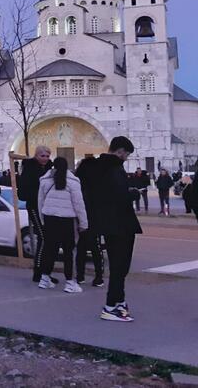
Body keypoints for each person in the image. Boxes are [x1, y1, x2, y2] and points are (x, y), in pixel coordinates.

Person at [92, 137, 142, 322]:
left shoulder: (100, 167)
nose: (126, 158)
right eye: (126, 154)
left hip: (110, 224)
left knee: (118, 266)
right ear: (120, 151)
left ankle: (119, 301)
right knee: (120, 266)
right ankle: (111, 306)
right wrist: (134, 193)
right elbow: (118, 196)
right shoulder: (113, 168)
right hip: (120, 224)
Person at [36, 157, 88, 293]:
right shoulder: (73, 182)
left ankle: (44, 279)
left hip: (49, 218)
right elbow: (79, 204)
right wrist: (83, 222)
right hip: (66, 220)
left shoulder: (45, 180)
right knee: (68, 252)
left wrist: (42, 219)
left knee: (49, 249)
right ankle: (70, 282)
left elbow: (40, 201)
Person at [19, 146, 53, 283]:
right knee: (43, 237)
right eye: (42, 155)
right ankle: (38, 271)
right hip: (34, 206)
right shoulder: (29, 169)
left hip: (48, 207)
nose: (45, 158)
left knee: (48, 239)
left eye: (47, 156)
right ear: (36, 155)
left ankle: (45, 272)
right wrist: (37, 195)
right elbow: (23, 191)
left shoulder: (51, 169)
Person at [75, 156, 107, 287]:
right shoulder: (100, 183)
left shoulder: (79, 183)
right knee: (96, 248)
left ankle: (80, 276)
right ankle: (98, 277)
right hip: (95, 218)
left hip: (82, 217)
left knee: (81, 248)